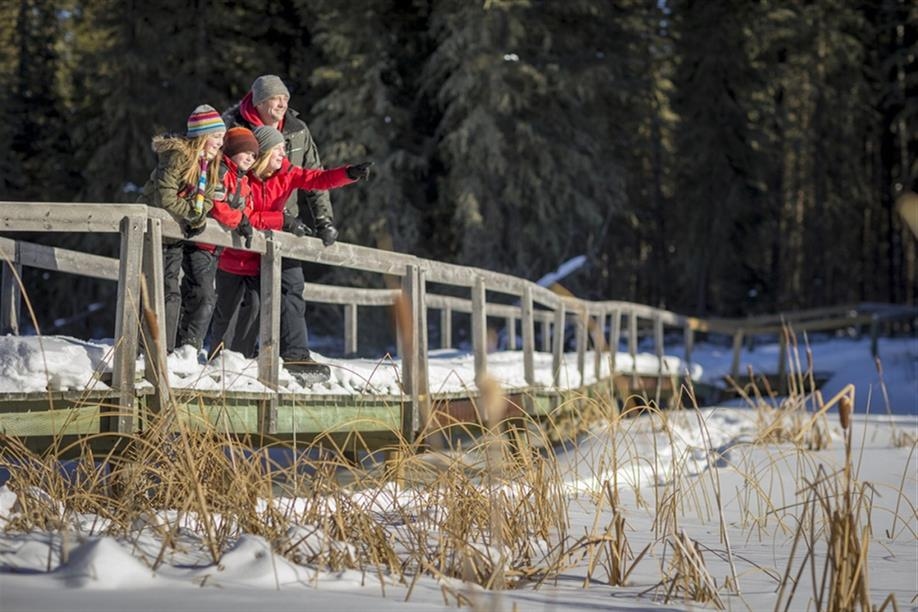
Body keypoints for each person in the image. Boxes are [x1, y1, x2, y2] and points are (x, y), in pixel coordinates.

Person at [210, 126, 371, 371]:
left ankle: (240, 362)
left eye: (284, 149)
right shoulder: (244, 177)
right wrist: (282, 220)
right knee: (228, 310)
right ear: (262, 152)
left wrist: (348, 173)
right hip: (234, 251)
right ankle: (217, 361)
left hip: (260, 255)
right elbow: (245, 215)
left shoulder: (286, 172)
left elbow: (317, 179)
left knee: (255, 306)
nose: (283, 154)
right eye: (278, 149)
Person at [222, 75, 351, 372]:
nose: (283, 103)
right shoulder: (234, 128)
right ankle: (235, 357)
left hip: (284, 221)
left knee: (291, 286)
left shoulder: (296, 131)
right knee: (245, 296)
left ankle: (295, 355)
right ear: (259, 101)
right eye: (276, 98)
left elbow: (314, 175)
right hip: (243, 220)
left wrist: (324, 219)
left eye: (286, 98)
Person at [138, 104, 226, 353]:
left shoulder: (208, 164)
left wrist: (198, 216)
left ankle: (165, 348)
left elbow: (207, 197)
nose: (221, 142)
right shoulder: (178, 156)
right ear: (202, 137)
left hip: (175, 233)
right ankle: (152, 348)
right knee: (160, 289)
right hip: (151, 230)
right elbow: (165, 196)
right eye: (217, 137)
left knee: (172, 292)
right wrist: (192, 215)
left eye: (222, 137)